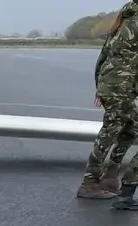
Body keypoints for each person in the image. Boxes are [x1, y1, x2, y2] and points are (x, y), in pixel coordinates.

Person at [77, 1, 138, 203]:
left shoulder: (123, 19)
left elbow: (103, 55)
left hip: (114, 86)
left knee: (129, 129)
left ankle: (110, 177)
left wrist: (100, 86)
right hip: (121, 88)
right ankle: (90, 182)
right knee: (109, 133)